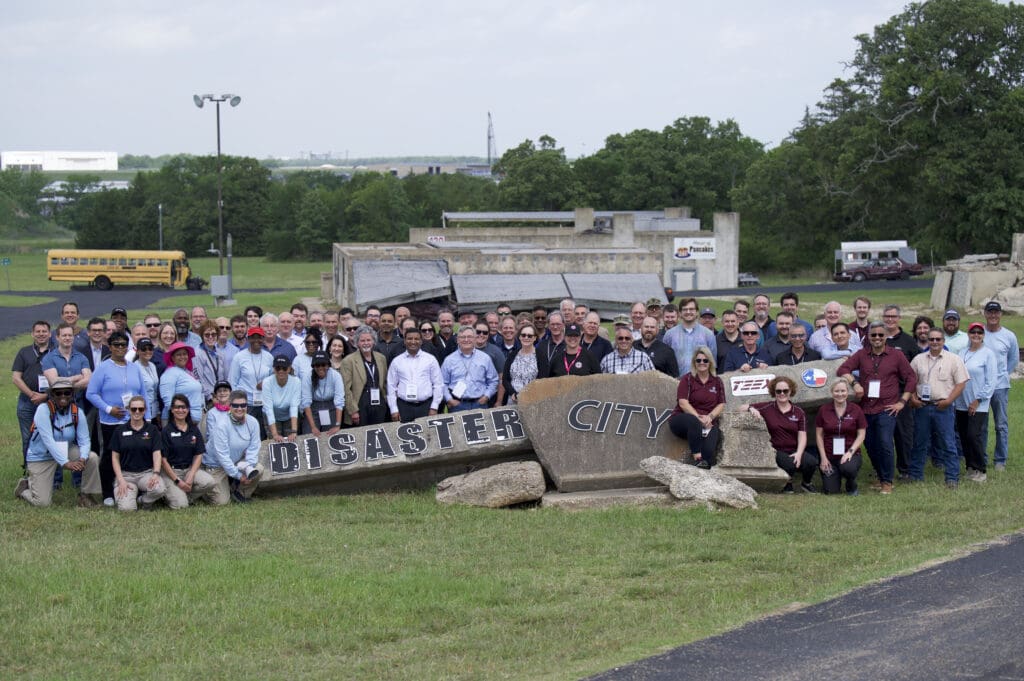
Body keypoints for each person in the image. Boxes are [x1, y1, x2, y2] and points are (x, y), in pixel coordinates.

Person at [838, 321, 916, 494]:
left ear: (886, 336)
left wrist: (902, 402)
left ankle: (887, 482)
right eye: (874, 335)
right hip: (865, 409)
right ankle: (881, 477)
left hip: (886, 408)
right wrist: (855, 383)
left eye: (881, 335)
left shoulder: (896, 355)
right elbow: (843, 369)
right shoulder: (861, 354)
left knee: (885, 443)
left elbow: (911, 378)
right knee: (870, 445)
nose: (877, 338)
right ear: (869, 337)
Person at [16, 378, 101, 508]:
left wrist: (83, 458)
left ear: (72, 395)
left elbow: (84, 439)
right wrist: (65, 463)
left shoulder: (77, 412)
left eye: (67, 393)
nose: (63, 396)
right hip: (41, 455)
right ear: (52, 395)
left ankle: (86, 495)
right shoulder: (43, 410)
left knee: (92, 457)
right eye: (58, 393)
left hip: (66, 450)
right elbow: (48, 441)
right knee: (42, 503)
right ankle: (24, 489)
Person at [86, 330, 146, 506]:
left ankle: (132, 489)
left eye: (123, 345)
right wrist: (108, 408)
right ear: (110, 347)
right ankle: (107, 493)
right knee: (110, 455)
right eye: (116, 345)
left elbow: (142, 394)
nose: (120, 348)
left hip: (133, 419)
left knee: (135, 453)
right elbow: (91, 393)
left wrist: (146, 418)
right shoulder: (103, 368)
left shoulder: (134, 367)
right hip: (111, 421)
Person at [909, 327, 970, 487]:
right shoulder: (918, 359)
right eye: (932, 339)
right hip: (922, 406)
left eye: (938, 339)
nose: (935, 342)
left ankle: (952, 477)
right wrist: (913, 398)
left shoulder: (953, 359)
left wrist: (949, 400)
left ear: (943, 341)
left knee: (948, 443)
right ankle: (915, 475)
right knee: (919, 442)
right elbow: (911, 381)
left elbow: (961, 383)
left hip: (943, 407)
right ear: (927, 341)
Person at [747, 376, 817, 493]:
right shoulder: (768, 407)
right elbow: (741, 407)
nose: (782, 393)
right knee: (790, 464)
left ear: (791, 391)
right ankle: (787, 483)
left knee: (811, 462)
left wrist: (799, 453)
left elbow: (802, 435)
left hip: (794, 449)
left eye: (785, 391)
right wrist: (750, 408)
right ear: (774, 392)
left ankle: (806, 483)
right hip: (776, 450)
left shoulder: (799, 412)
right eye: (778, 391)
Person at [668, 346, 725, 468]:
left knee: (709, 454)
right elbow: (683, 403)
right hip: (684, 419)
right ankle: (697, 458)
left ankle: (704, 465)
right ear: (694, 362)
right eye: (698, 360)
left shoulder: (717, 381)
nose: (702, 363)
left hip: (708, 421)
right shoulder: (687, 379)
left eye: (705, 360)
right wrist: (698, 417)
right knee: (694, 422)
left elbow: (721, 404)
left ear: (710, 362)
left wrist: (710, 417)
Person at [202, 390, 262, 504]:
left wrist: (248, 468)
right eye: (235, 405)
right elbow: (222, 456)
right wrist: (239, 476)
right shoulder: (221, 425)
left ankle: (239, 493)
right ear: (230, 406)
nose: (240, 409)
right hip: (216, 465)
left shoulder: (253, 422)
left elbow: (254, 448)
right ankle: (206, 491)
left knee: (258, 469)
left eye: (243, 405)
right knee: (221, 502)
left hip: (236, 462)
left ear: (247, 406)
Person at [883, 304, 921, 480]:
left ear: (899, 318)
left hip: (901, 393)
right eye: (887, 316)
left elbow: (917, 370)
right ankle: (882, 469)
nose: (890, 319)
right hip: (880, 394)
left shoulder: (908, 341)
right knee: (882, 434)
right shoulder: (878, 338)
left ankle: (905, 469)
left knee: (903, 433)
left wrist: (912, 394)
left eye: (893, 316)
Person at [956, 323, 998, 482]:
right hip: (961, 402)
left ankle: (981, 469)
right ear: (968, 334)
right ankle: (970, 467)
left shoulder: (988, 354)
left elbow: (991, 381)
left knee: (974, 436)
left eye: (979, 332)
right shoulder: (962, 352)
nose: (976, 334)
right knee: (964, 436)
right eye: (973, 332)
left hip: (978, 403)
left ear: (983, 335)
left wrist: (978, 399)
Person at [109, 395, 165, 511]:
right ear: (129, 410)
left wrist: (155, 473)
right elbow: (114, 458)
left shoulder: (152, 430)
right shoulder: (119, 431)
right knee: (126, 509)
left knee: (159, 489)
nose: (137, 412)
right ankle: (129, 498)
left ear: (145, 411)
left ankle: (143, 500)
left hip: (146, 473)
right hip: (126, 475)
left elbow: (157, 454)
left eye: (141, 409)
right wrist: (121, 480)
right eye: (134, 409)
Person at [159, 394, 215, 509]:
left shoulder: (193, 429)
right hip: (172, 472)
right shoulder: (166, 431)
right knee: (181, 506)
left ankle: (185, 496)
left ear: (188, 410)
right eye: (177, 407)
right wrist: (177, 480)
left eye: (184, 407)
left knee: (209, 482)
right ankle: (173, 496)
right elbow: (163, 461)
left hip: (189, 469)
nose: (180, 410)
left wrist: (191, 474)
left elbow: (199, 454)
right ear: (172, 410)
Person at [982, 301, 1018, 471]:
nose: (993, 316)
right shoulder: (978, 333)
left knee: (1001, 424)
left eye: (996, 312)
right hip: (981, 386)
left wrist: (1002, 375)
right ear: (985, 314)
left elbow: (1013, 359)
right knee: (981, 424)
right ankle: (981, 457)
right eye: (990, 312)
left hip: (1000, 387)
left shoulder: (1009, 336)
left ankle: (1000, 459)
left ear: (1001, 314)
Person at [816, 379, 867, 495]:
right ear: (832, 392)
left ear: (847, 392)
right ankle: (835, 476)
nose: (840, 394)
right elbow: (819, 435)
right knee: (831, 491)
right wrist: (823, 458)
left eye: (843, 391)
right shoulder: (823, 410)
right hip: (829, 455)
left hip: (850, 454)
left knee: (848, 469)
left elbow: (861, 434)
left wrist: (850, 452)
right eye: (836, 391)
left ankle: (851, 484)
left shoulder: (856, 409)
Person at [13, 321, 53, 466]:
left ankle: (53, 474)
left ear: (49, 334)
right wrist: (31, 395)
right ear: (32, 334)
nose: (41, 334)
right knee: (27, 437)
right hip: (27, 401)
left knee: (50, 436)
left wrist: (46, 396)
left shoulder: (55, 352)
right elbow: (16, 378)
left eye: (44, 331)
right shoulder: (24, 352)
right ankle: (28, 471)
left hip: (50, 401)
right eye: (38, 331)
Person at [386, 328, 443, 422]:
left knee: (427, 436)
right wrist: (393, 409)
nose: (413, 342)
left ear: (421, 341)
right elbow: (391, 386)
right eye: (409, 339)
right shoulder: (397, 361)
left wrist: (434, 407)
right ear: (404, 341)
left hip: (426, 406)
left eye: (416, 339)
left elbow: (438, 384)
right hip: (403, 407)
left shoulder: (430, 360)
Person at [228, 327, 275, 440]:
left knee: (264, 436)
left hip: (264, 403)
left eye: (259, 337)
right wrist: (236, 403)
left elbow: (273, 379)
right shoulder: (239, 357)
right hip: (246, 404)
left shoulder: (269, 357)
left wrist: (266, 382)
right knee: (246, 436)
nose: (256, 340)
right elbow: (232, 381)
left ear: (263, 339)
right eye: (253, 337)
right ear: (248, 339)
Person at [341, 326, 389, 426]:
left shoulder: (381, 358)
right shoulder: (348, 360)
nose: (366, 343)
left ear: (373, 341)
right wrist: (353, 410)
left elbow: (384, 383)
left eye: (368, 340)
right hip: (360, 405)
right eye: (362, 340)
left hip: (379, 403)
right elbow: (346, 389)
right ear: (357, 343)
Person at [441, 327, 499, 411]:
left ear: (475, 339)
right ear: (457, 340)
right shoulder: (449, 360)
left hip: (480, 404)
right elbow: (442, 383)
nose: (466, 339)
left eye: (469, 337)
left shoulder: (485, 358)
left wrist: (486, 396)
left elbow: (493, 381)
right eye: (462, 337)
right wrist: (449, 400)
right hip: (457, 405)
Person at [663, 298, 717, 376]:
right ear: (680, 313)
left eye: (691, 309)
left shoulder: (708, 335)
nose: (688, 312)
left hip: (700, 382)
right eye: (685, 309)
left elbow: (713, 363)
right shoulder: (669, 335)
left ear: (697, 312)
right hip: (676, 382)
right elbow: (665, 361)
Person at [301, 351, 345, 436]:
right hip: (313, 408)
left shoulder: (335, 375)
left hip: (331, 407)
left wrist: (337, 425)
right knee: (309, 434)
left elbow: (339, 401)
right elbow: (306, 403)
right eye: (317, 365)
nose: (320, 368)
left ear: (328, 365)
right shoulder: (307, 376)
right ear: (313, 366)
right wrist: (313, 427)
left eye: (323, 365)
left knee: (330, 435)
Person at [159, 342, 203, 424]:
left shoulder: (188, 372)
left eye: (184, 354)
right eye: (179, 355)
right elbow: (168, 400)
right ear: (172, 357)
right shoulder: (169, 373)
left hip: (193, 419)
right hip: (178, 420)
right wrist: (180, 418)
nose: (182, 357)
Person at [193, 321, 235, 406]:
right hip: (208, 400)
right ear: (202, 336)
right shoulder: (197, 354)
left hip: (221, 397)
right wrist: (210, 397)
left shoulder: (219, 353)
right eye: (207, 335)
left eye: (213, 334)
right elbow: (198, 380)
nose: (210, 337)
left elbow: (223, 377)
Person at [499, 324, 539, 405]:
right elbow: (505, 379)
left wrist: (527, 395)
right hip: (513, 400)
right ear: (519, 337)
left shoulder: (541, 355)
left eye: (530, 336)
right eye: (523, 335)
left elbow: (543, 379)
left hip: (533, 400)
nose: (526, 338)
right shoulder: (512, 354)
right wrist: (513, 393)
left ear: (535, 338)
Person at [263, 356, 301, 441]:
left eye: (284, 368)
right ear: (273, 369)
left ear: (289, 369)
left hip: (288, 415)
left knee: (292, 440)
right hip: (272, 415)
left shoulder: (296, 381)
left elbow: (294, 407)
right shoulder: (267, 382)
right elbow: (269, 409)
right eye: (278, 368)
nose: (281, 371)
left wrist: (294, 431)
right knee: (274, 441)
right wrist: (275, 434)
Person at [134, 338, 160, 427]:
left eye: (150, 349)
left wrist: (158, 412)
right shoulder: (134, 367)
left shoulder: (152, 366)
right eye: (144, 349)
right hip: (141, 411)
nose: (147, 351)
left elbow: (155, 391)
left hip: (154, 410)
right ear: (137, 351)